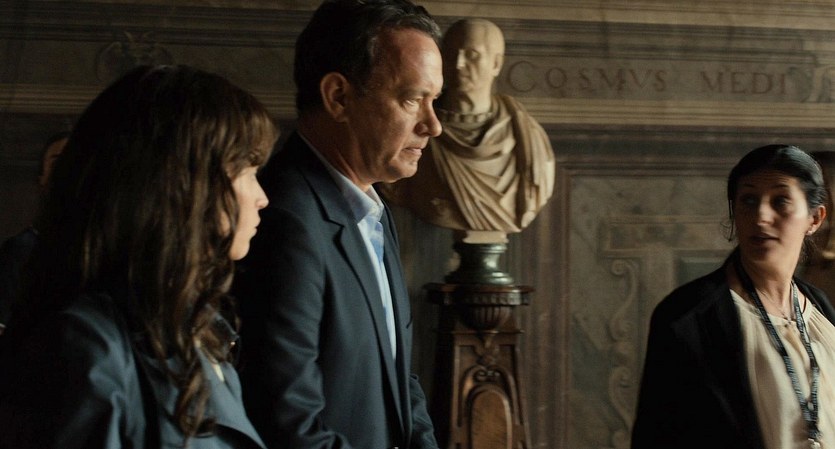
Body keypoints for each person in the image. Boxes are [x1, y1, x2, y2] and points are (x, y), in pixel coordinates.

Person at [0, 64, 278, 448]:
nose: (262, 197)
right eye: (247, 170)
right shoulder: (85, 347)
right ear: (183, 183)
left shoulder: (201, 329)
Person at [230, 0, 443, 448]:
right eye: (412, 99)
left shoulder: (373, 209)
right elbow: (290, 425)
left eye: (434, 101)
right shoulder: (284, 219)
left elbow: (399, 376)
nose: (433, 125)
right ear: (338, 97)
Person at [631, 144, 835, 449]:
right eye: (749, 200)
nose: (761, 216)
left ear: (815, 218)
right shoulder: (688, 317)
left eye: (780, 201)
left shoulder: (821, 310)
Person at [381, 18, 554, 238]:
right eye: (451, 54)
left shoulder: (528, 136)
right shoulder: (413, 131)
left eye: (472, 55)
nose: (459, 64)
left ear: (496, 64)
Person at [0, 131, 69, 334]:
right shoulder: (22, 250)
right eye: (58, 163)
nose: (69, 171)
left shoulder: (111, 251)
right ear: (42, 178)